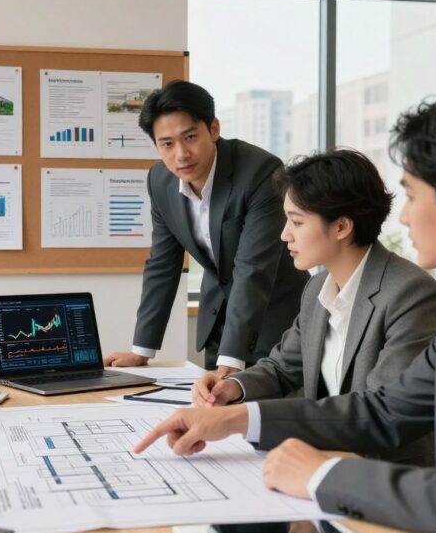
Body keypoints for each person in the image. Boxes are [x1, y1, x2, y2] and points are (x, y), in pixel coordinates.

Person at [135, 93, 436, 533]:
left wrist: (322, 474)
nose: (405, 218)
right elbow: (384, 409)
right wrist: (236, 419)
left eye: (412, 195)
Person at [192, 148, 436, 465]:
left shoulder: (410, 293)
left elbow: (381, 410)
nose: (284, 234)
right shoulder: (316, 289)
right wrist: (231, 387)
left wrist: (244, 418)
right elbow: (281, 368)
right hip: (325, 458)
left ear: (341, 227)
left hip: (383, 470)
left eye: (296, 222)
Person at [104, 80, 309, 375]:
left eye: (190, 137)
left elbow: (253, 269)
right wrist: (141, 351)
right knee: (212, 401)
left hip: (276, 325)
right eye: (167, 144)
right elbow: (162, 264)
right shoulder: (160, 181)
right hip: (218, 325)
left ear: (213, 129)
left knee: (263, 403)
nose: (181, 154)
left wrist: (231, 360)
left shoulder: (260, 172)